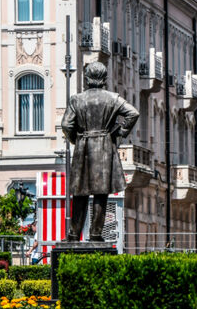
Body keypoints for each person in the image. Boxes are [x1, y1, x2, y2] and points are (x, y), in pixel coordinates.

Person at [60, 61, 139, 242]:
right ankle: (95, 234)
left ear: (87, 79)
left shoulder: (77, 99)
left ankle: (73, 235)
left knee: (80, 193)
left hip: (84, 145)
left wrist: (75, 139)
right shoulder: (113, 98)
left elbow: (66, 124)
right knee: (100, 193)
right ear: (104, 79)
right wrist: (120, 131)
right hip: (104, 146)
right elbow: (133, 113)